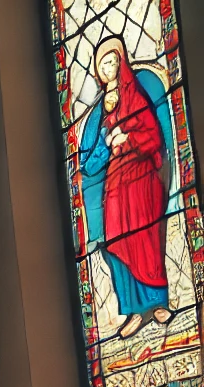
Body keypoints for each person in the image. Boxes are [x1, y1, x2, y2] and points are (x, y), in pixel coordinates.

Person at [80, 35, 173, 342]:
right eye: (102, 65)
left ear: (121, 64)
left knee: (145, 236)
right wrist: (108, 140)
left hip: (141, 177)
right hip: (116, 183)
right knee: (118, 241)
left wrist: (128, 138)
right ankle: (133, 309)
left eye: (111, 62)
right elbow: (89, 163)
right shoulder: (98, 113)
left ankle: (157, 302)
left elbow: (154, 137)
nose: (107, 69)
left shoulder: (136, 96)